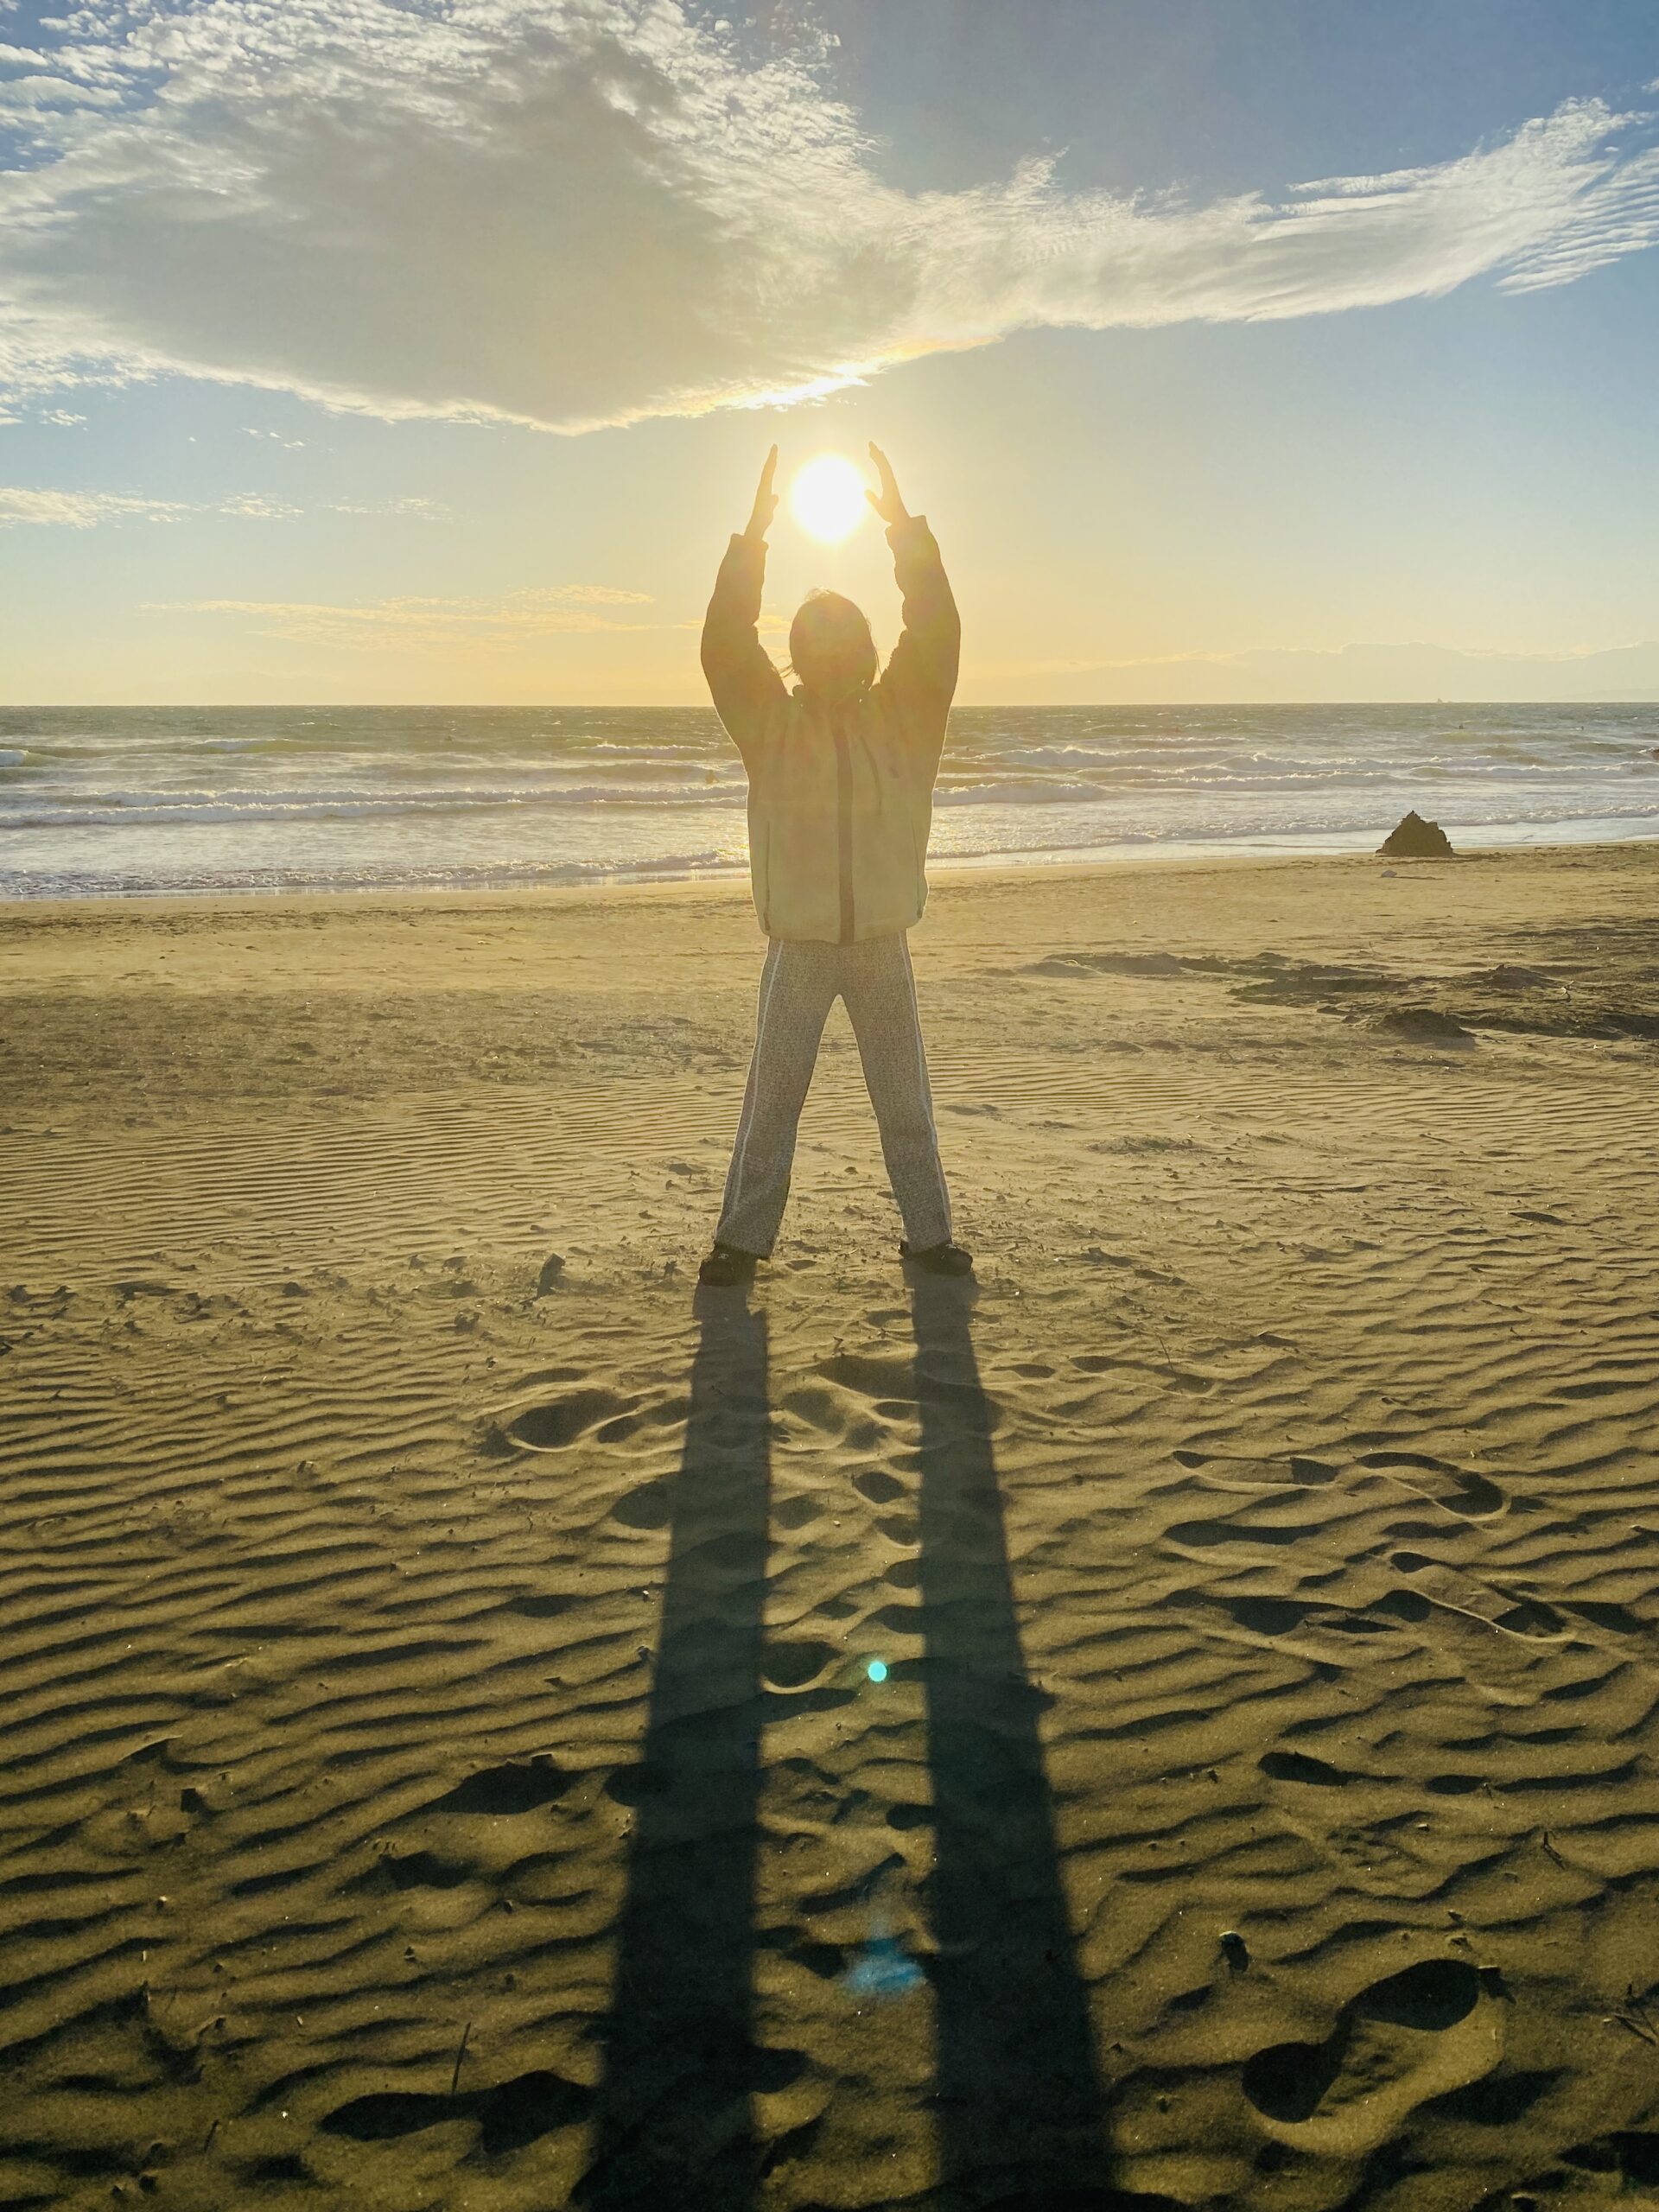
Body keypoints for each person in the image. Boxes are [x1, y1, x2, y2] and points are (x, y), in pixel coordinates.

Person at [696, 442, 973, 1288]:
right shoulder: (773, 728)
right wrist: (752, 538)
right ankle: (740, 1246)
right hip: (801, 947)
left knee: (906, 1107)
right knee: (771, 1105)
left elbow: (936, 629)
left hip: (882, 941)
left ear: (864, 652)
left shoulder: (906, 718)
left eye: (846, 640)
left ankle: (931, 1240)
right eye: (816, 644)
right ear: (800, 657)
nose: (833, 655)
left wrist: (905, 534)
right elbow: (721, 644)